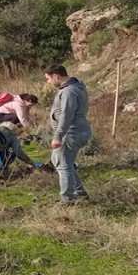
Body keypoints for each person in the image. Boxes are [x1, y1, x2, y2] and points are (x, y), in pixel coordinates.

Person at [45, 64, 91, 205]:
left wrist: (58, 136)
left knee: (63, 165)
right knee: (60, 161)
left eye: (48, 79)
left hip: (71, 133)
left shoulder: (69, 91)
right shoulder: (75, 87)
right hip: (75, 131)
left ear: (56, 76)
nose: (48, 82)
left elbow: (67, 115)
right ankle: (79, 191)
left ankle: (67, 199)